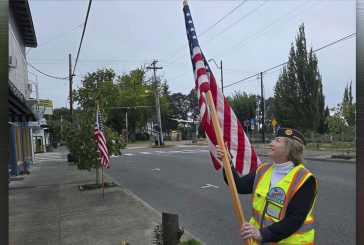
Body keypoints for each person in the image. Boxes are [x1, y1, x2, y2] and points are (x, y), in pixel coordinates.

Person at [217, 127, 318, 244]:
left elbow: (295, 218)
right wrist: (228, 163)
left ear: (290, 148)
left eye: (277, 141)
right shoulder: (263, 170)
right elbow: (239, 186)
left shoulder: (305, 179)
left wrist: (262, 234)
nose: (271, 143)